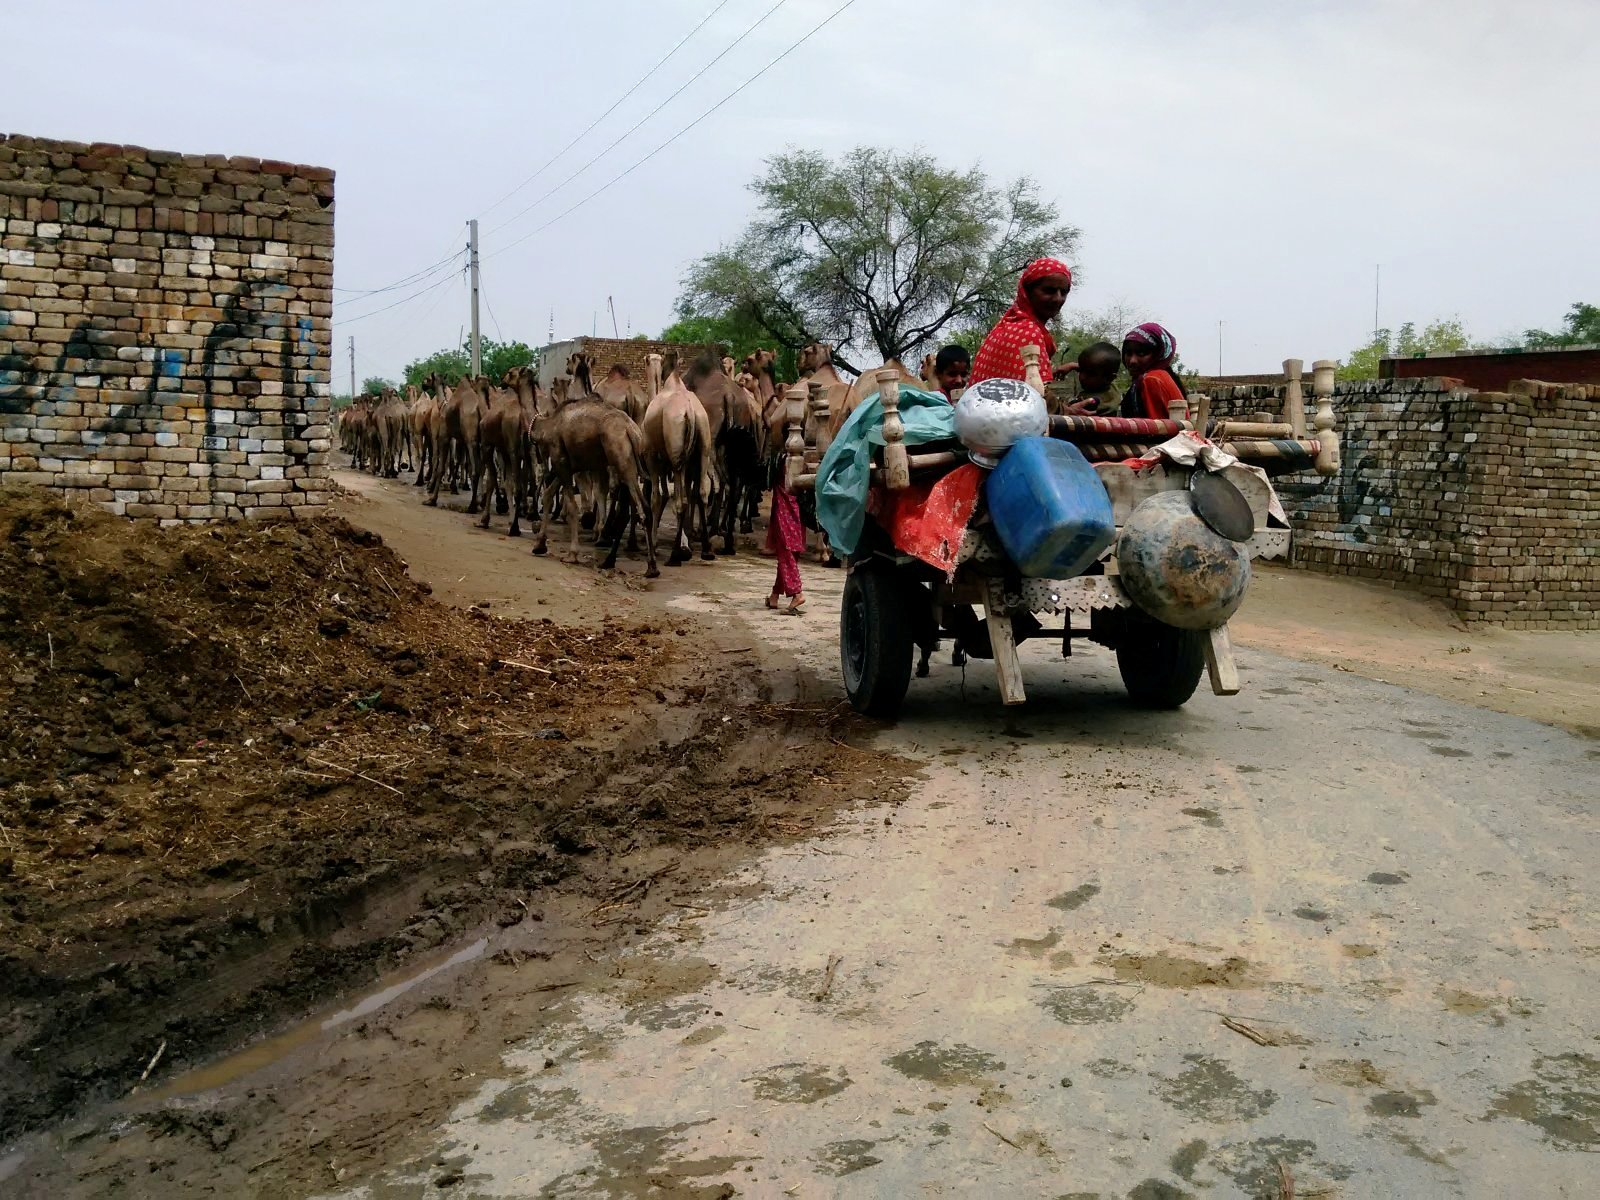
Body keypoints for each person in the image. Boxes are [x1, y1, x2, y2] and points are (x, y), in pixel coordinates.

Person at [969, 257, 1073, 386]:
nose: (1058, 299)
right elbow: (1037, 395)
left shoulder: (1009, 324)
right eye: (1049, 291)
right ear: (1027, 291)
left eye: (1063, 292)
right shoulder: (1028, 332)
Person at [1121, 322, 1189, 421]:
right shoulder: (1160, 376)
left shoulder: (1152, 380)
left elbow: (1156, 430)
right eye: (1128, 353)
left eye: (1141, 353)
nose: (1132, 361)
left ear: (1158, 354)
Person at [765, 479, 806, 615]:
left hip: (785, 505)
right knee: (790, 550)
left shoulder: (784, 463)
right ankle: (774, 595)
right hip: (797, 504)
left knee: (785, 549)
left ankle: (797, 593)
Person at [1053, 341, 1123, 416]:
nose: (1082, 377)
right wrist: (1072, 365)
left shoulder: (1091, 404)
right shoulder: (1111, 388)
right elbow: (1095, 367)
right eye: (1081, 370)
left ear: (1110, 378)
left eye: (1090, 374)